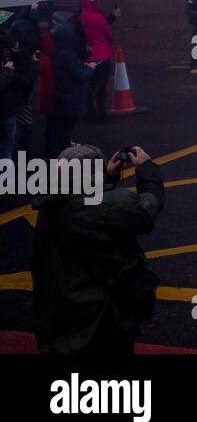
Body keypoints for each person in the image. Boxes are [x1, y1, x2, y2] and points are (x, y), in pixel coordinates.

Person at [32, 144, 164, 353]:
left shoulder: (51, 202)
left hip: (63, 303)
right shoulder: (105, 206)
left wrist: (106, 177)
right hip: (101, 311)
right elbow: (146, 209)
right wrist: (147, 171)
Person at [48, 19, 98, 155]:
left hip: (63, 94)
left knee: (62, 127)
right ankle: (62, 152)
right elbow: (81, 74)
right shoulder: (68, 55)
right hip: (71, 96)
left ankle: (60, 148)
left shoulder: (59, 51)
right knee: (66, 128)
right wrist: (91, 68)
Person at [0, 32, 36, 162]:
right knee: (7, 142)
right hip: (7, 107)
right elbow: (25, 81)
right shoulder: (8, 65)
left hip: (11, 104)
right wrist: (8, 71)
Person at [79, 2, 114, 124]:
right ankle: (101, 114)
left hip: (88, 55)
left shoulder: (81, 17)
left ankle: (90, 112)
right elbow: (108, 35)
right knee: (101, 86)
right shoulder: (98, 17)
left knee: (90, 85)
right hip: (102, 54)